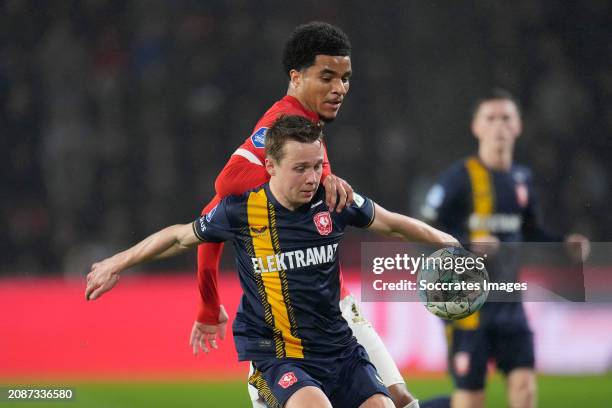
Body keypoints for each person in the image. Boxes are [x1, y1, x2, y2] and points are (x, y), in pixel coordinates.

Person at [85, 115, 458, 408]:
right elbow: (179, 236)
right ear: (271, 166)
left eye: (316, 166)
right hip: (278, 354)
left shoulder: (334, 200)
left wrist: (447, 241)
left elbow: (392, 224)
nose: (313, 178)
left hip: (339, 347)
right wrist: (117, 262)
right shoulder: (241, 211)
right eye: (300, 168)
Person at [192, 21, 416, 407]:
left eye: (345, 78)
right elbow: (224, 188)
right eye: (326, 77)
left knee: (399, 399)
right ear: (296, 78)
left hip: (337, 315)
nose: (339, 88)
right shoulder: (280, 124)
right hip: (287, 334)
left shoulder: (308, 132)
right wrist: (208, 303)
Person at [420, 88, 590, 408]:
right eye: (491, 118)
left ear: (518, 126)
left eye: (506, 118)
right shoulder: (458, 179)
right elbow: (424, 234)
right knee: (469, 401)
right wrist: (468, 245)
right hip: (469, 309)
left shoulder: (521, 179)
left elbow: (529, 230)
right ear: (476, 127)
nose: (499, 125)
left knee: (524, 390)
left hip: (511, 305)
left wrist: (564, 244)